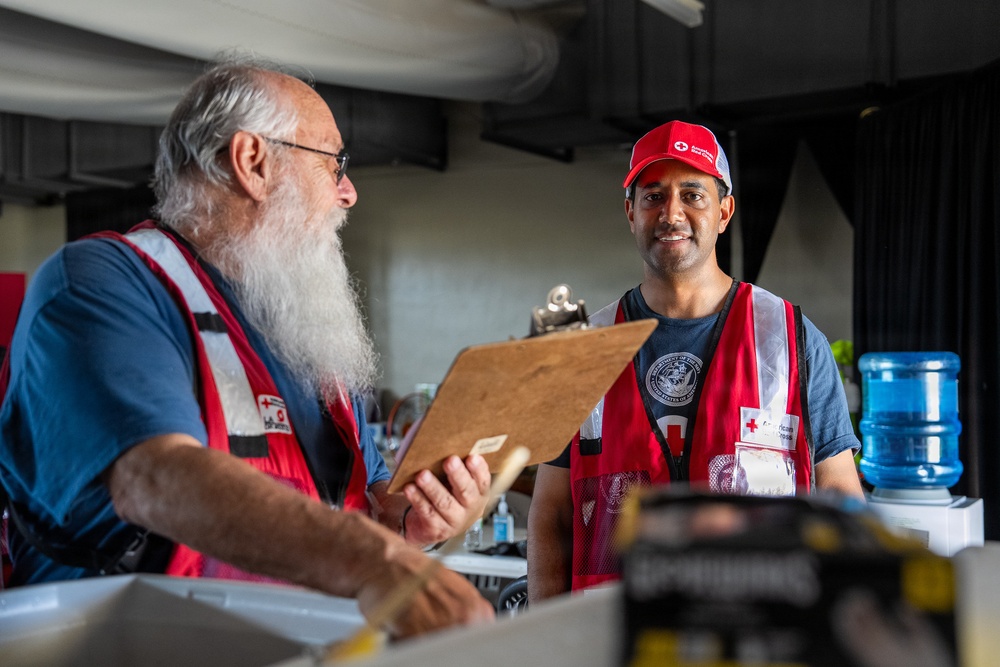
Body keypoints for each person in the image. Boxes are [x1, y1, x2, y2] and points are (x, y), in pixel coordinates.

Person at [0, 55, 495, 637]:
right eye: (334, 163)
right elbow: (155, 476)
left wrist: (411, 521)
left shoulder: (307, 333)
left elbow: (366, 507)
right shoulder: (100, 283)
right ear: (251, 162)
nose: (349, 192)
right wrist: (372, 559)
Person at [528, 120, 865, 600]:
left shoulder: (792, 339)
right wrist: (547, 640)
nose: (671, 213)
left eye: (692, 194)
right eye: (652, 196)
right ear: (630, 212)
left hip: (756, 633)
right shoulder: (581, 350)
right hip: (612, 635)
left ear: (724, 211)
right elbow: (552, 514)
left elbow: (840, 500)